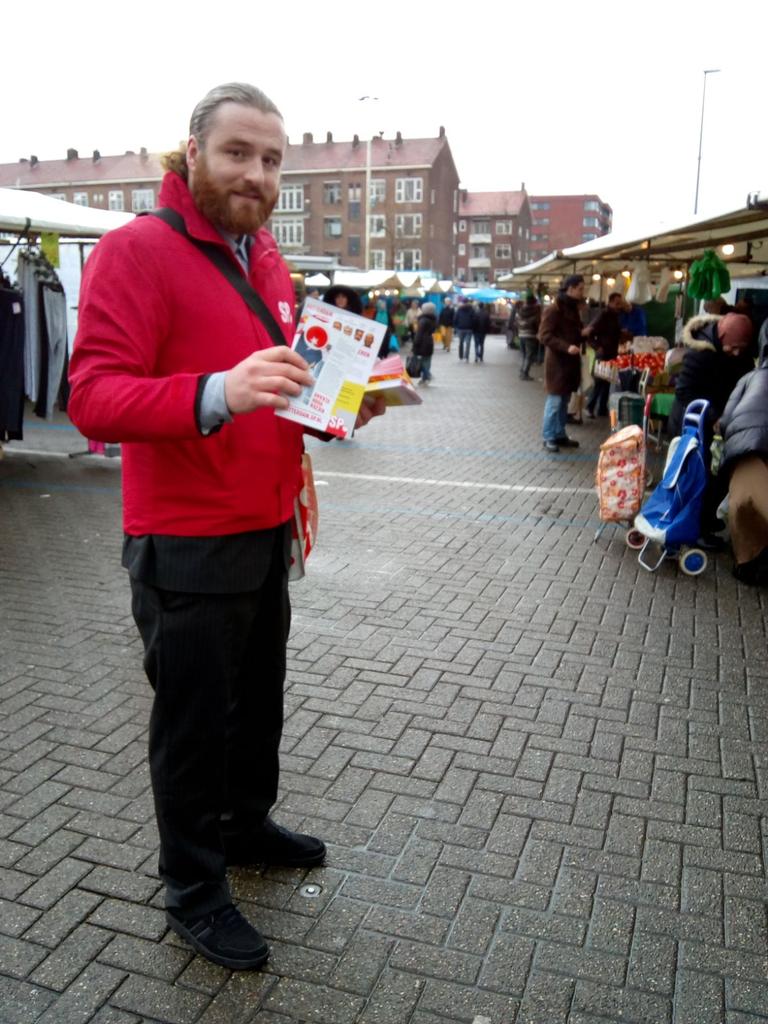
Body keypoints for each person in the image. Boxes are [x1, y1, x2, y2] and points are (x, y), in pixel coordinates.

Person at [67, 83, 385, 972]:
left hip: (265, 523)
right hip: (185, 538)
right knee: (193, 726)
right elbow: (89, 395)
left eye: (272, 160)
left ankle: (245, 827)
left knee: (257, 707)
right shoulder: (137, 252)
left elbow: (286, 385)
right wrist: (216, 391)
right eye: (238, 152)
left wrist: (343, 409)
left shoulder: (268, 262)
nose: (256, 173)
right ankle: (194, 890)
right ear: (193, 152)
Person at [667, 310, 754, 544]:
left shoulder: (739, 352)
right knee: (700, 477)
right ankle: (698, 530)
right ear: (722, 335)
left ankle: (705, 519)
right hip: (693, 425)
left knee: (717, 475)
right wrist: (713, 416)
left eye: (741, 348)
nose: (737, 353)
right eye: (732, 347)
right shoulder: (698, 353)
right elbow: (684, 392)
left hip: (720, 423)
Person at [719, 322, 768, 583]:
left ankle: (746, 564)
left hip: (745, 453)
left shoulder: (749, 377)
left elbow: (725, 421)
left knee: (745, 509)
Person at [538, 274, 591, 453]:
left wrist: (582, 333)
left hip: (570, 364)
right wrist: (567, 347)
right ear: (570, 288)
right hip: (557, 364)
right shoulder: (554, 309)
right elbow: (544, 335)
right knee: (554, 401)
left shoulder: (573, 308)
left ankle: (559, 434)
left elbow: (572, 333)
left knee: (564, 402)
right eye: (580, 288)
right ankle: (548, 436)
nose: (582, 292)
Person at [586, 292, 626, 417]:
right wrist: (597, 347)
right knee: (599, 382)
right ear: (610, 302)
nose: (619, 305)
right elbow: (589, 332)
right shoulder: (603, 315)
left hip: (612, 353)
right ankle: (589, 407)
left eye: (620, 303)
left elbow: (614, 333)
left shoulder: (616, 316)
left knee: (607, 382)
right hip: (603, 353)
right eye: (617, 303)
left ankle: (602, 409)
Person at [412, 301, 438, 385]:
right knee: (427, 360)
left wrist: (415, 345)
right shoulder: (433, 319)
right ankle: (425, 378)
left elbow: (419, 334)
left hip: (422, 343)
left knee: (421, 361)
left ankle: (427, 375)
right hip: (429, 342)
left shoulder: (423, 320)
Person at [516, 296, 541, 381]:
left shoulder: (521, 310)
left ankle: (522, 372)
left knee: (524, 355)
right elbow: (537, 323)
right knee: (529, 356)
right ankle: (525, 373)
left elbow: (517, 322)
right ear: (534, 302)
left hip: (521, 334)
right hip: (531, 335)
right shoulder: (535, 311)